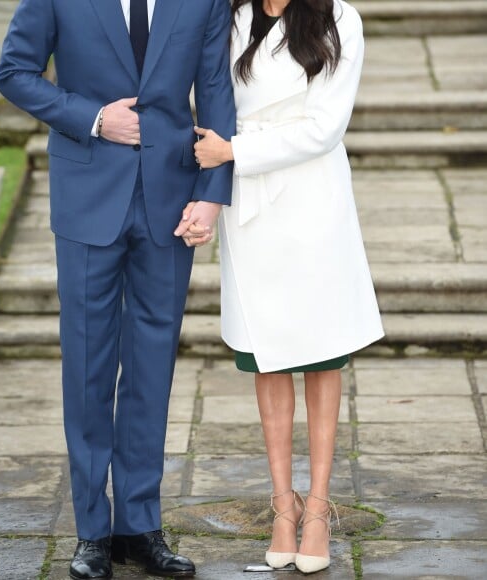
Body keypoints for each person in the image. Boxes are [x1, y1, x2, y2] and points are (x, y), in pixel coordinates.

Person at [0, 1, 235, 578]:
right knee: (87, 365)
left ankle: (139, 526)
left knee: (152, 368)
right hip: (85, 197)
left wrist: (213, 191)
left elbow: (217, 91)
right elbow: (14, 73)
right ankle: (91, 533)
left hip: (171, 200)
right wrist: (93, 118)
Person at [176, 0, 384, 574]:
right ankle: (282, 508)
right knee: (267, 358)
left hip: (312, 199)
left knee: (320, 355)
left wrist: (235, 150)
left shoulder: (340, 18)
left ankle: (317, 508)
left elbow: (325, 127)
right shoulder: (230, 16)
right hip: (252, 207)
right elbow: (210, 95)